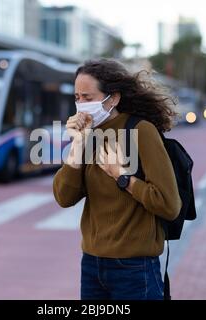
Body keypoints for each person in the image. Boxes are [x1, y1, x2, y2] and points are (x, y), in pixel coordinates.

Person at [53, 58, 182, 300]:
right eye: (77, 98)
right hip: (92, 265)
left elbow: (169, 205)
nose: (81, 105)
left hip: (134, 269)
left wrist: (123, 177)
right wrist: (77, 144)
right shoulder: (89, 135)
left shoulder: (141, 131)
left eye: (88, 98)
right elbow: (64, 197)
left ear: (113, 98)